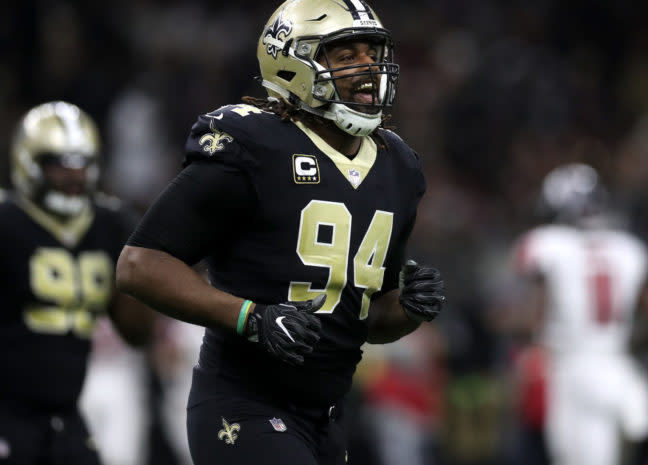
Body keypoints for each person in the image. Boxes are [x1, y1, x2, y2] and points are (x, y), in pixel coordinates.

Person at [115, 0, 446, 464]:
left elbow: (368, 323)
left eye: (372, 54)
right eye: (346, 56)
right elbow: (139, 265)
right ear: (293, 63)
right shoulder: (254, 146)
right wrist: (251, 317)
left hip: (328, 415)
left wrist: (408, 308)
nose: (368, 69)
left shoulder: (399, 165)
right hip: (244, 404)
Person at [0, 101, 153, 465]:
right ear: (28, 163)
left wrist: (147, 265)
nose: (73, 176)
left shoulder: (110, 224)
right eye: (58, 164)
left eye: (81, 164)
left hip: (65, 418)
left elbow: (136, 332)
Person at [509, 163, 648, 465]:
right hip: (619, 370)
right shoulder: (628, 248)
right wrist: (628, 346)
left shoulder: (548, 246)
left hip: (572, 372)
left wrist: (504, 323)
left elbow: (533, 320)